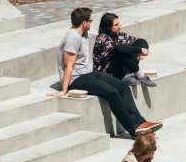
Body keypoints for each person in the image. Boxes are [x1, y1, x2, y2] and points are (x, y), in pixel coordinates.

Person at [48, 7, 162, 137]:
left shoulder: (83, 33)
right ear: (84, 23)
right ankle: (134, 129)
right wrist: (64, 89)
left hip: (88, 74)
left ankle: (140, 123)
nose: (91, 23)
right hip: (76, 79)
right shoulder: (72, 38)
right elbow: (69, 65)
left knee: (122, 86)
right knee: (111, 92)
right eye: (90, 20)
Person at [93, 12, 156, 87]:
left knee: (134, 46)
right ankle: (140, 75)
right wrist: (139, 50)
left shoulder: (119, 35)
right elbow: (119, 48)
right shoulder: (101, 38)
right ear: (108, 27)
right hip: (106, 74)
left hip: (119, 70)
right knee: (121, 50)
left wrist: (143, 50)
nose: (119, 27)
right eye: (116, 25)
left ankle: (128, 74)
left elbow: (140, 41)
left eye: (119, 24)